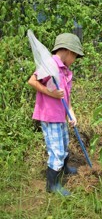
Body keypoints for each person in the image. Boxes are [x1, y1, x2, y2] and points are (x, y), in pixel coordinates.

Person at [28, 33, 84, 196]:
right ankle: (52, 185)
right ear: (68, 51)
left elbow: (67, 96)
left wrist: (71, 114)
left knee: (64, 144)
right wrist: (50, 93)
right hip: (50, 116)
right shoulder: (49, 64)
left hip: (61, 115)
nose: (74, 60)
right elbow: (32, 81)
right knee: (57, 151)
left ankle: (64, 168)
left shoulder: (66, 70)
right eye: (75, 56)